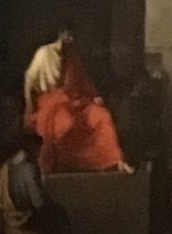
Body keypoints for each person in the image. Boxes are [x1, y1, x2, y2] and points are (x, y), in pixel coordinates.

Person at [21, 32, 130, 175]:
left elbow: (82, 83)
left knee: (100, 116)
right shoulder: (43, 54)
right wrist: (29, 108)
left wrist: (94, 96)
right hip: (51, 104)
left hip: (75, 103)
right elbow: (30, 80)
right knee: (63, 122)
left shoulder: (72, 56)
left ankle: (114, 162)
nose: (70, 39)